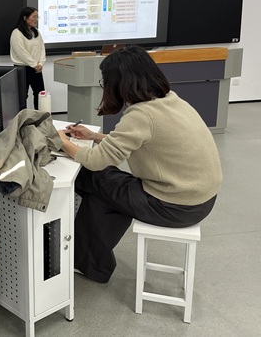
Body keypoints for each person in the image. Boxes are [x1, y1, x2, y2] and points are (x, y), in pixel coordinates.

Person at [57, 46, 222, 283]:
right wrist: (94, 137)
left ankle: (86, 260)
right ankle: (89, 264)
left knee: (91, 177)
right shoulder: (171, 100)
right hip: (199, 199)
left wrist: (61, 141)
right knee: (103, 191)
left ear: (119, 83)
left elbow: (95, 161)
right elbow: (138, 141)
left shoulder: (141, 115)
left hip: (174, 206)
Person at [10, 7, 46, 109]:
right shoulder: (17, 33)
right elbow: (21, 53)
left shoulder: (36, 32)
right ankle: (22, 117)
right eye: (34, 17)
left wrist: (41, 64)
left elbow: (42, 48)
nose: (36, 19)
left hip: (37, 69)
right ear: (25, 18)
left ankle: (39, 116)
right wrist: (34, 65)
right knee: (22, 96)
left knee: (40, 94)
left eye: (37, 17)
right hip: (22, 68)